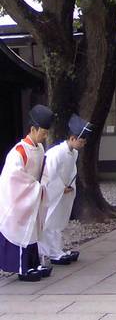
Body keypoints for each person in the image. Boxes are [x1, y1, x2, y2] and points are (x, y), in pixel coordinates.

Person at [0, 104, 54, 281]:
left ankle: (32, 263)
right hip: (19, 199)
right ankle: (23, 268)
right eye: (43, 132)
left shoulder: (39, 149)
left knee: (32, 231)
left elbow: (44, 171)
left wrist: (42, 185)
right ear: (33, 129)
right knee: (21, 231)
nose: (45, 136)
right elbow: (13, 177)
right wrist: (35, 187)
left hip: (32, 196)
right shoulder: (19, 151)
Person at [39, 114, 93, 265]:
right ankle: (47, 252)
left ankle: (56, 250)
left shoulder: (73, 153)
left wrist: (69, 185)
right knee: (48, 222)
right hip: (52, 192)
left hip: (63, 191)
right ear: (72, 138)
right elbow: (47, 175)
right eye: (81, 141)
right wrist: (60, 188)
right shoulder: (56, 153)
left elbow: (71, 172)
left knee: (58, 222)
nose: (82, 144)